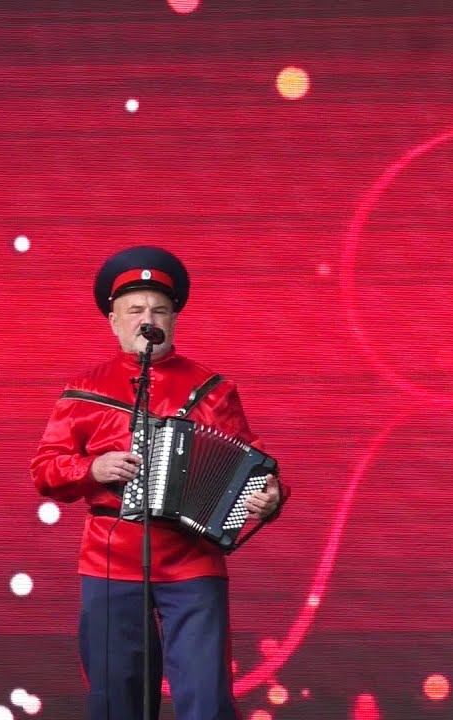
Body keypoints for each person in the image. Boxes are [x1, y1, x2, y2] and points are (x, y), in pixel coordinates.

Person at [29, 246, 288, 720]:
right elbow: (45, 470)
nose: (148, 319)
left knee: (207, 698)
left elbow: (254, 468)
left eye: (159, 310)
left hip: (192, 559)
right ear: (113, 321)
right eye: (135, 310)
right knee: (114, 698)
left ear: (174, 319)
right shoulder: (84, 390)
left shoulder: (213, 390)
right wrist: (92, 469)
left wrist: (270, 496)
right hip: (110, 557)